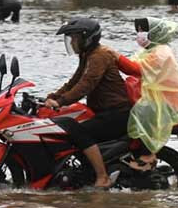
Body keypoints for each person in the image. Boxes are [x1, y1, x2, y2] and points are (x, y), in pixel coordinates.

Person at [46, 18, 132, 188]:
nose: (72, 42)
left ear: (87, 38)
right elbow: (75, 81)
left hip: (116, 113)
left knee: (77, 131)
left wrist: (61, 102)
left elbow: (86, 85)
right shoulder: (88, 56)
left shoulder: (99, 56)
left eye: (75, 38)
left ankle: (102, 177)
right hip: (104, 112)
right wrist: (54, 96)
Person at [116, 17, 178, 170]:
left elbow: (136, 69)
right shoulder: (150, 50)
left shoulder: (162, 52)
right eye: (139, 31)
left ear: (155, 32)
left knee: (141, 113)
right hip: (154, 94)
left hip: (166, 99)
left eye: (143, 30)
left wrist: (114, 56)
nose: (140, 34)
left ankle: (147, 155)